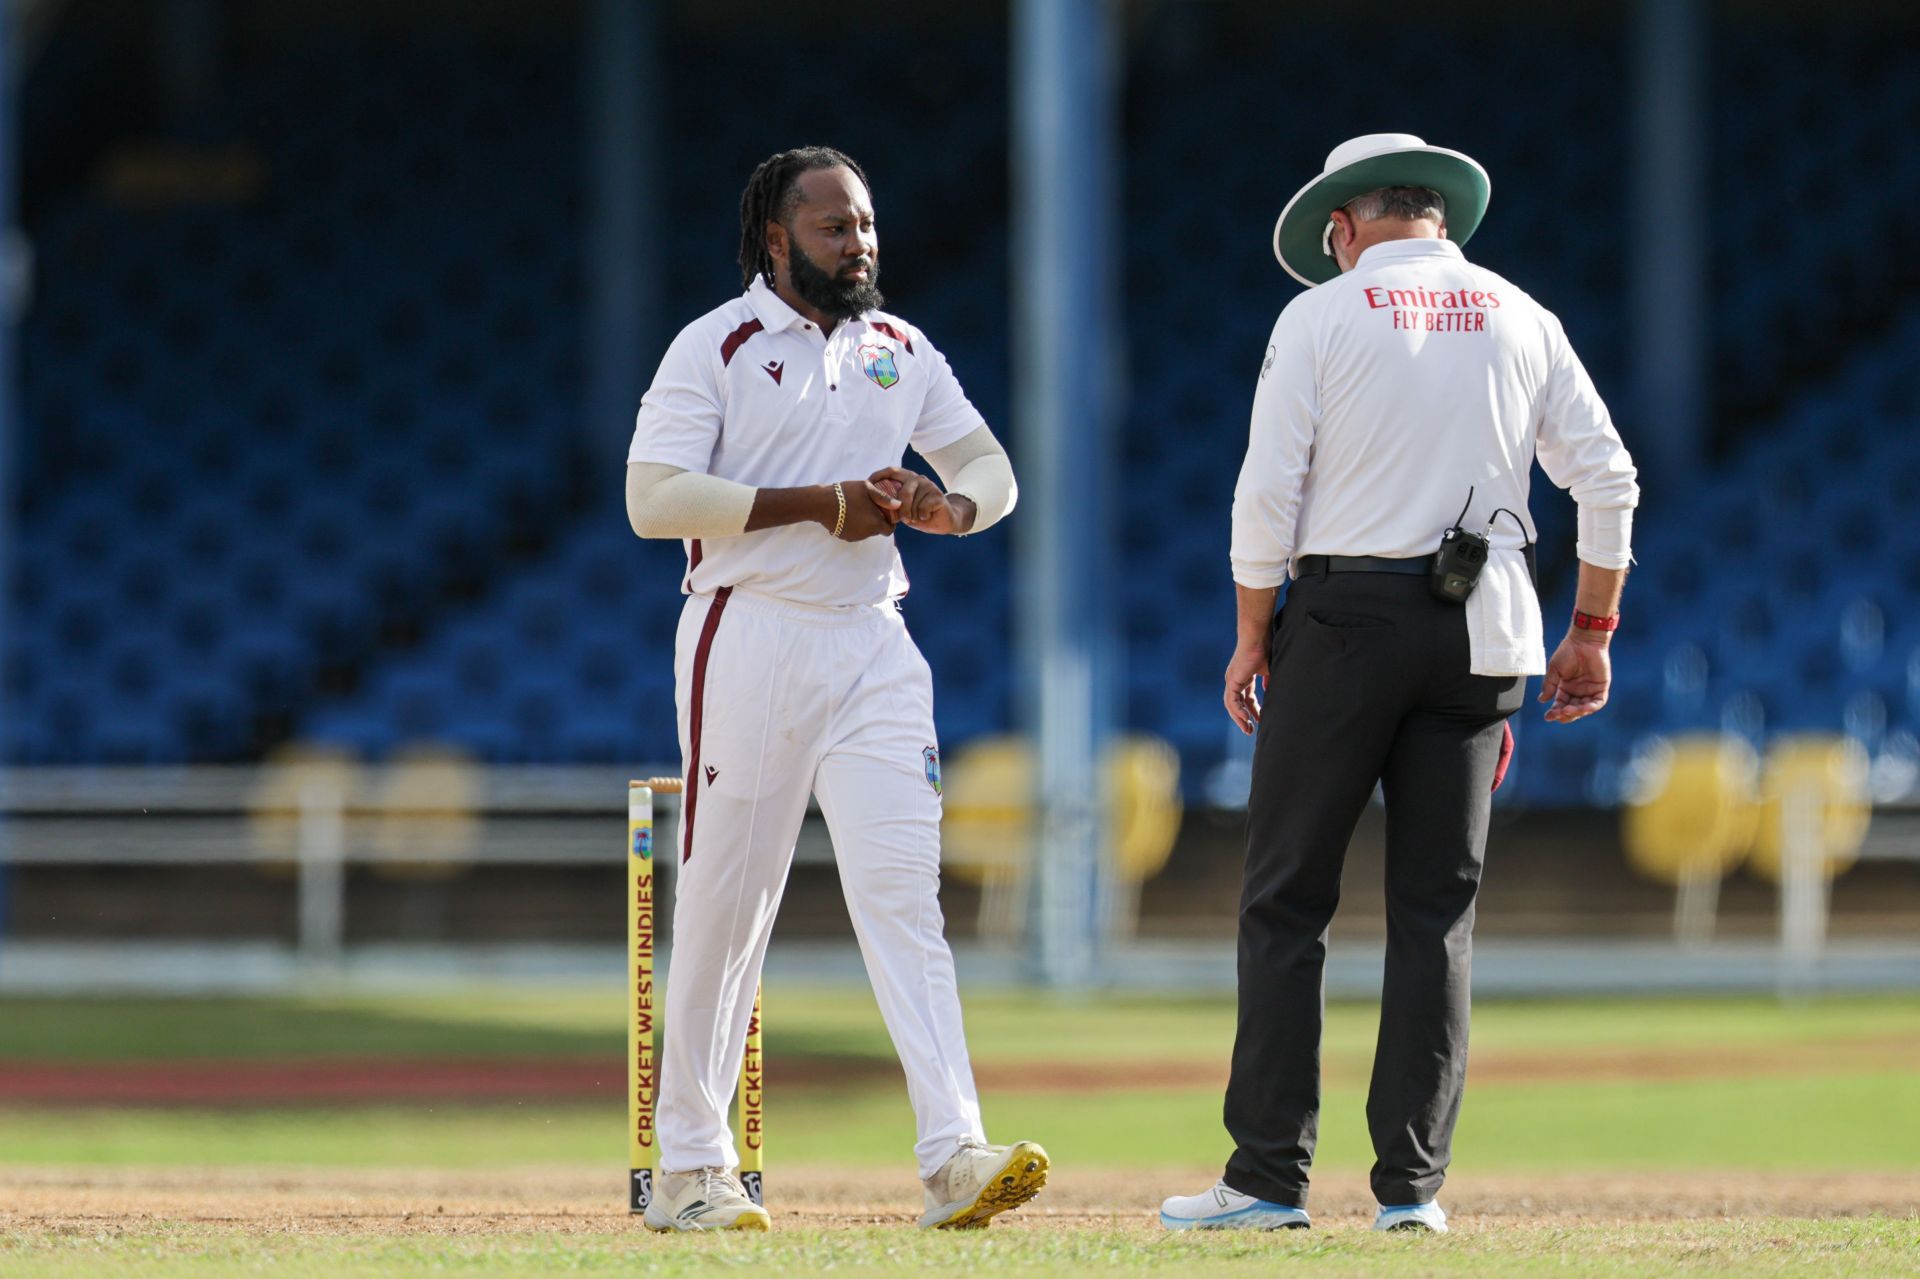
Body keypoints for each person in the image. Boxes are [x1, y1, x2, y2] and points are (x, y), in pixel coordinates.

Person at [1160, 134, 1639, 1234]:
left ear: (1345, 228)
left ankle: (1268, 1178)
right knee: (1439, 911)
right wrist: (1593, 632)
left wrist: (1248, 636)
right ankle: (1412, 1193)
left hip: (1344, 621)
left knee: (1287, 896)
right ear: (1440, 217)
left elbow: (1267, 490)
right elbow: (1608, 477)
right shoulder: (1524, 315)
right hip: (1484, 628)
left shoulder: (1320, 317)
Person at [624, 146, 1045, 1233]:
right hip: (749, 629)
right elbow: (653, 501)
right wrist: (817, 503)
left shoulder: (899, 350)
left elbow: (992, 471)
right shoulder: (714, 344)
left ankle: (954, 1153)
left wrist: (951, 510)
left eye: (864, 224)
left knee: (907, 897)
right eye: (831, 227)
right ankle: (690, 1169)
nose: (857, 243)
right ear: (776, 238)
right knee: (732, 897)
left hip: (874, 643)